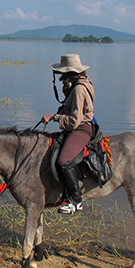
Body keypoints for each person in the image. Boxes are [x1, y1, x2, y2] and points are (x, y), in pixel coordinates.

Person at [41, 54, 95, 214]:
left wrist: (55, 117)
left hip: (81, 129)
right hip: (79, 126)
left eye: (63, 73)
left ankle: (75, 200)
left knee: (64, 160)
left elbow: (74, 121)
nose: (61, 76)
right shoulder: (80, 84)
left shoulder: (79, 89)